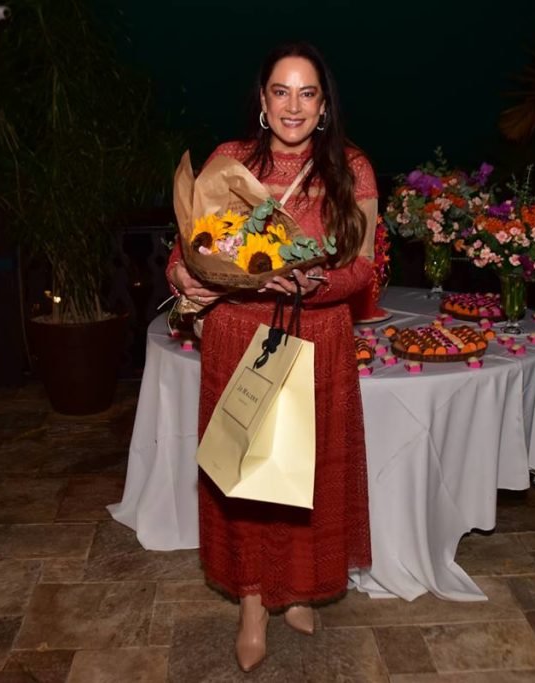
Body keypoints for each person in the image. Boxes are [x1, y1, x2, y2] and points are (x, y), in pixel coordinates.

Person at [167, 42, 377, 672]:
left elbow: (362, 268)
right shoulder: (228, 163)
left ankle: (298, 590)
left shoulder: (352, 168)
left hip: (321, 342)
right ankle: (255, 602)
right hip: (239, 340)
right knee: (249, 478)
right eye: (280, 92)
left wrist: (315, 282)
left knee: (306, 477)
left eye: (306, 93)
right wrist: (187, 277)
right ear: (262, 102)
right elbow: (187, 253)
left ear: (323, 104)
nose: (293, 105)